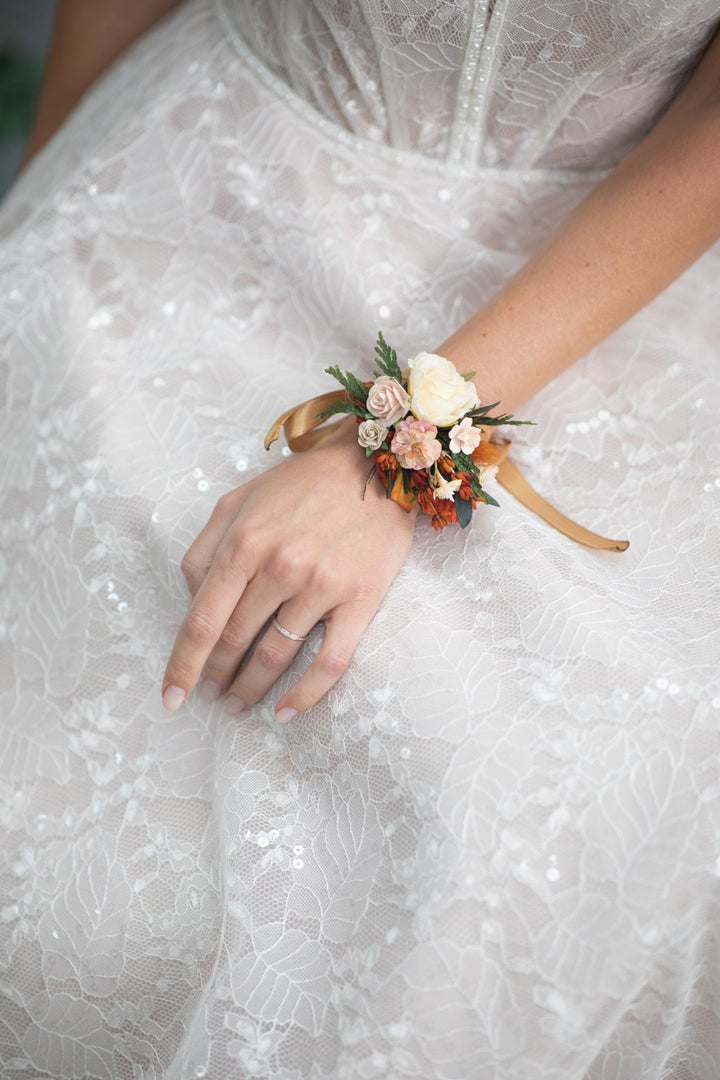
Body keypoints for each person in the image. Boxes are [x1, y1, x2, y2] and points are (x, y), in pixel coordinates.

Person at [1, 1, 718, 1076]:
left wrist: (389, 459)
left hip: (608, 293)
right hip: (189, 209)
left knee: (528, 800)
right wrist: (39, 235)